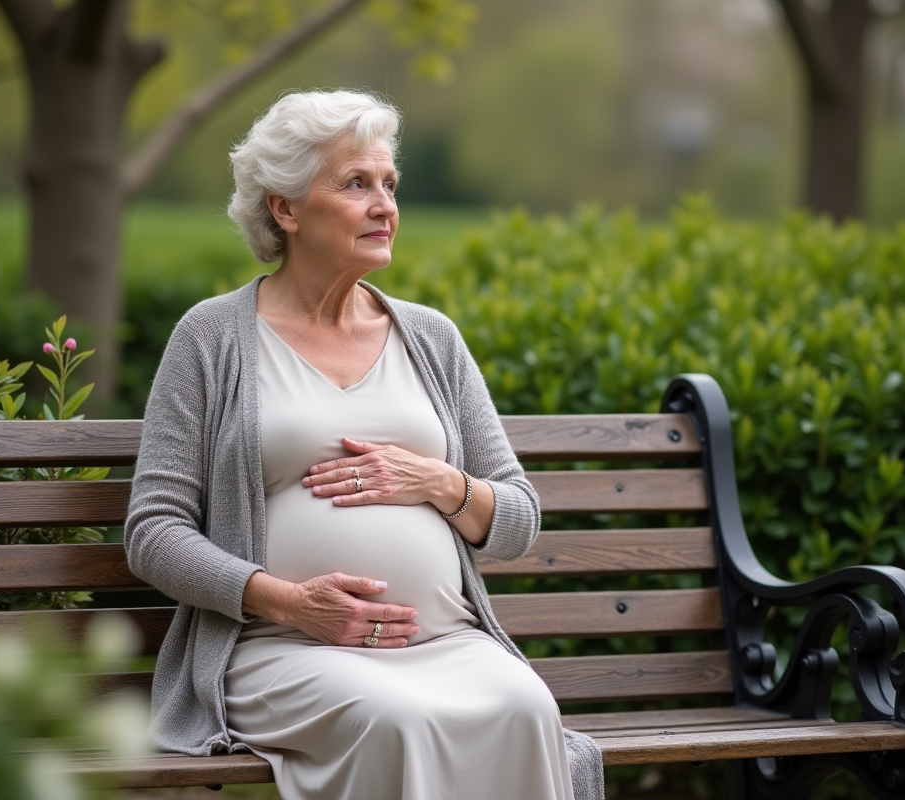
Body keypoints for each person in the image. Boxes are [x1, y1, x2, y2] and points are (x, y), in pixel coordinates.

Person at [125, 89, 603, 800]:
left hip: (447, 643)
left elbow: (518, 520)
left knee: (526, 705)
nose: (385, 206)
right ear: (285, 208)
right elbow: (153, 532)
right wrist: (287, 602)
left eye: (389, 184)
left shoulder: (431, 338)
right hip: (282, 648)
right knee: (394, 719)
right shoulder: (212, 336)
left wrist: (440, 483)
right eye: (356, 184)